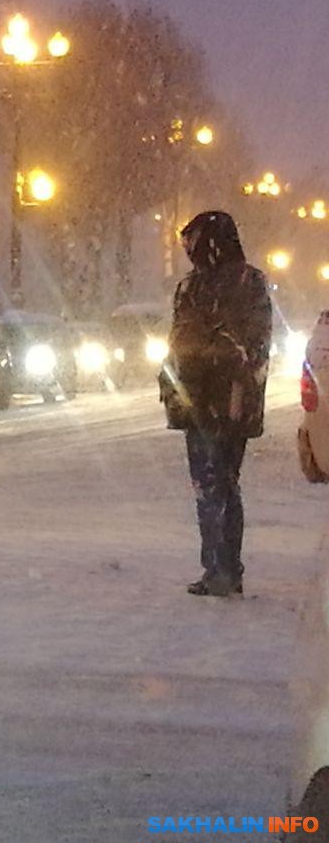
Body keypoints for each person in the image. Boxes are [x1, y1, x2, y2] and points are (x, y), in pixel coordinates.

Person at [160, 210, 272, 598]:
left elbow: (234, 344)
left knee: (212, 484)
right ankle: (223, 567)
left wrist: (192, 366)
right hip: (218, 399)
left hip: (215, 399)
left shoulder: (215, 285)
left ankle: (220, 568)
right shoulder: (243, 282)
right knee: (220, 483)